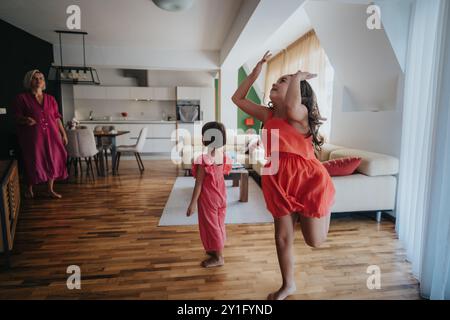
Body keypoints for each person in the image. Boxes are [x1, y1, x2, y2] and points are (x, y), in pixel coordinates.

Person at [232, 51, 336, 300]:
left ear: (299, 91)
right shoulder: (268, 116)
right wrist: (255, 72)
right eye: (277, 80)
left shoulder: (298, 114)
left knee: (315, 241)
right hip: (276, 177)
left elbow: (291, 105)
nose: (276, 82)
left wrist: (298, 75)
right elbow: (237, 98)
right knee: (282, 238)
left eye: (283, 80)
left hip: (308, 180)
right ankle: (288, 284)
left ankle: (329, 198)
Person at [13, 70, 68, 199]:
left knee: (53, 159)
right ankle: (29, 188)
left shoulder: (51, 99)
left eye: (41, 78)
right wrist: (26, 120)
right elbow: (16, 117)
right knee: (34, 161)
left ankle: (50, 189)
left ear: (44, 82)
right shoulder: (22, 98)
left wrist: (63, 134)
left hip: (52, 135)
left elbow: (57, 118)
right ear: (29, 81)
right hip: (33, 136)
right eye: (35, 78)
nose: (38, 80)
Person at [186, 122, 232, 268]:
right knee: (218, 224)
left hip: (208, 199)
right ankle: (214, 249)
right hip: (221, 196)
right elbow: (221, 174)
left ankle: (219, 257)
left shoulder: (203, 160)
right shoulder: (223, 156)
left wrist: (192, 203)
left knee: (211, 226)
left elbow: (198, 184)